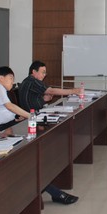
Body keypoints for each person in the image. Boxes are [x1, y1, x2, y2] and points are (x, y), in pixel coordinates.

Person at [18, 61, 80, 205]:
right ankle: (53, 186)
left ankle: (52, 177)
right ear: (33, 72)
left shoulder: (31, 82)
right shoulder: (31, 81)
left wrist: (44, 99)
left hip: (34, 119)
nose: (44, 75)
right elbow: (51, 91)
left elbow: (38, 99)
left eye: (45, 72)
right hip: (31, 123)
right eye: (42, 72)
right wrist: (73, 91)